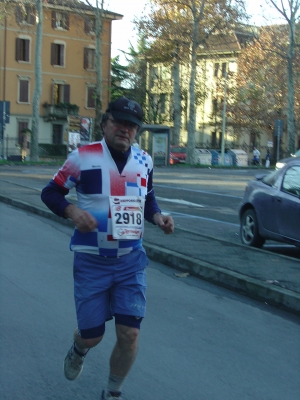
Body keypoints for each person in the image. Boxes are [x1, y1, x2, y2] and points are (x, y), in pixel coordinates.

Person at [41, 97, 174, 400]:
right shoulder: (82, 157)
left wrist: (158, 217)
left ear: (137, 131)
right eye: (119, 122)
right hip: (92, 261)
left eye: (132, 125)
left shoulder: (144, 161)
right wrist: (71, 211)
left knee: (130, 334)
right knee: (92, 335)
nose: (125, 129)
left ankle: (113, 392)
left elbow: (148, 198)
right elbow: (50, 192)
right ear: (105, 124)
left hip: (130, 260)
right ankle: (78, 348)